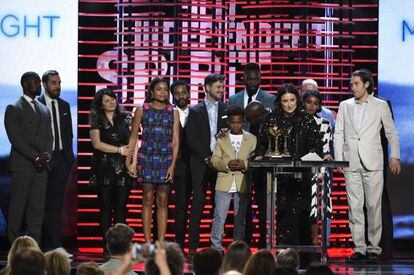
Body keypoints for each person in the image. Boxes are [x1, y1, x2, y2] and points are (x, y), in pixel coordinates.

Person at [334, 69, 400, 263]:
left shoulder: (381, 106)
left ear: (366, 84)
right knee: (354, 207)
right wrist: (340, 159)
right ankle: (359, 248)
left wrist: (394, 156)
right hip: (351, 161)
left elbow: (391, 133)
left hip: (373, 161)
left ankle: (374, 248)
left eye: (356, 84)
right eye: (351, 84)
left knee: (373, 206)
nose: (352, 87)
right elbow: (339, 134)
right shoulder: (345, 105)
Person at [257, 83, 323, 246]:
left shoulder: (307, 118)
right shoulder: (272, 119)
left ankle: (305, 256)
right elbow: (262, 144)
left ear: (297, 100)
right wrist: (260, 155)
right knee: (284, 213)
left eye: (292, 100)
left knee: (303, 215)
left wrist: (310, 157)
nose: (289, 104)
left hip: (303, 176)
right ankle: (283, 252)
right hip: (281, 177)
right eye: (285, 101)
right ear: (280, 102)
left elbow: (317, 146)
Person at [126, 77, 179, 243]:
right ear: (152, 91)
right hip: (147, 157)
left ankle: (161, 242)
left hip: (165, 158)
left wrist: (172, 165)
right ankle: (148, 242)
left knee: (163, 200)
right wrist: (130, 161)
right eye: (159, 89)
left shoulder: (173, 111)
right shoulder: (142, 110)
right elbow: (134, 138)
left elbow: (176, 141)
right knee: (148, 198)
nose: (162, 92)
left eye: (165, 89)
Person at [228, 63, 275, 248]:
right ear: (243, 78)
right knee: (241, 208)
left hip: (262, 161)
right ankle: (243, 245)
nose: (253, 81)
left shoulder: (270, 100)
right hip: (239, 161)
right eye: (249, 77)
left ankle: (264, 245)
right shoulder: (233, 99)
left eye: (256, 77)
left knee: (264, 205)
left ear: (260, 78)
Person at [4, 71, 53, 245]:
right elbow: (15, 139)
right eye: (36, 82)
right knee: (18, 207)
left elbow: (49, 137)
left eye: (40, 82)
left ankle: (35, 247)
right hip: (23, 166)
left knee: (37, 210)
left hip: (41, 168)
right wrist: (35, 157)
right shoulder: (14, 108)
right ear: (25, 84)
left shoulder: (44, 109)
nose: (40, 85)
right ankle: (13, 246)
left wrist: (46, 155)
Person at [186, 73, 227, 256]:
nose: (221, 90)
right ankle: (193, 247)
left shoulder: (226, 109)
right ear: (207, 87)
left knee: (218, 206)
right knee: (198, 204)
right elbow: (191, 138)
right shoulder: (195, 111)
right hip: (200, 164)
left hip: (219, 163)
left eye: (222, 87)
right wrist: (206, 157)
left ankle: (215, 245)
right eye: (218, 87)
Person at [89, 88, 133, 253]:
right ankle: (107, 247)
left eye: (113, 99)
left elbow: (132, 141)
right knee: (106, 207)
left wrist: (132, 163)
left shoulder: (125, 117)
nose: (111, 102)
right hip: (104, 166)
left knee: (121, 207)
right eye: (107, 100)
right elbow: (97, 144)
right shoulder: (96, 119)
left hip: (123, 167)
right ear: (100, 104)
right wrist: (119, 150)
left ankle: (121, 246)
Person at [210, 105, 256, 252]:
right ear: (228, 123)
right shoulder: (222, 138)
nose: (236, 125)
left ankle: (237, 248)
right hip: (224, 182)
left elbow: (255, 161)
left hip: (242, 182)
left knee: (240, 219)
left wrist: (245, 164)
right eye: (233, 122)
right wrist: (227, 165)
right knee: (219, 218)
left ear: (243, 122)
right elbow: (214, 159)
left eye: (239, 122)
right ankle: (216, 248)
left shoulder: (251, 138)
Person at [38, 70, 75, 256]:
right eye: (53, 82)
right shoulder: (36, 105)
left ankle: (57, 245)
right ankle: (37, 245)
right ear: (44, 85)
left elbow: (68, 133)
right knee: (37, 204)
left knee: (56, 205)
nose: (57, 86)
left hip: (61, 160)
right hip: (41, 160)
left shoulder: (65, 105)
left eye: (59, 82)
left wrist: (69, 158)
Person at [302, 90, 334, 244]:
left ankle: (314, 243)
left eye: (315, 103)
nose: (311, 106)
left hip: (316, 172)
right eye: (309, 102)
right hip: (297, 170)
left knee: (314, 207)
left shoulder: (325, 124)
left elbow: (327, 150)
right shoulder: (295, 122)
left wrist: (326, 156)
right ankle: (301, 242)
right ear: (303, 103)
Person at [170, 80, 192, 249]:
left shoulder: (197, 113)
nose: (180, 96)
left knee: (187, 207)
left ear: (189, 94)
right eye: (177, 93)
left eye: (183, 92)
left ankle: (186, 244)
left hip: (193, 166)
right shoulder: (168, 113)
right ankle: (170, 244)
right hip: (172, 165)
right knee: (172, 206)